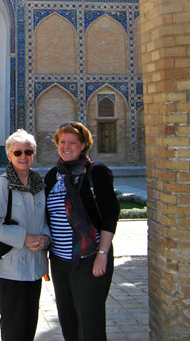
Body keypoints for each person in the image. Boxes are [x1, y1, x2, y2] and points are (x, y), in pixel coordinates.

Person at [44, 122, 120, 341]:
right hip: (60, 260)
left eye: (73, 143)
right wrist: (45, 257)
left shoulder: (96, 173)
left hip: (89, 258)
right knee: (68, 321)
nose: (67, 147)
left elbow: (110, 215)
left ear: (84, 145)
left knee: (90, 323)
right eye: (62, 142)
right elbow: (47, 219)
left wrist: (102, 255)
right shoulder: (52, 176)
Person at [0, 129, 51, 341]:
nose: (23, 157)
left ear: (33, 154)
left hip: (34, 267)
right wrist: (24, 238)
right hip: (10, 269)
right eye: (18, 152)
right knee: (13, 326)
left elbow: (46, 221)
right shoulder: (2, 184)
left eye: (28, 152)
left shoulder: (39, 184)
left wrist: (45, 239)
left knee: (29, 324)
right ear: (9, 155)